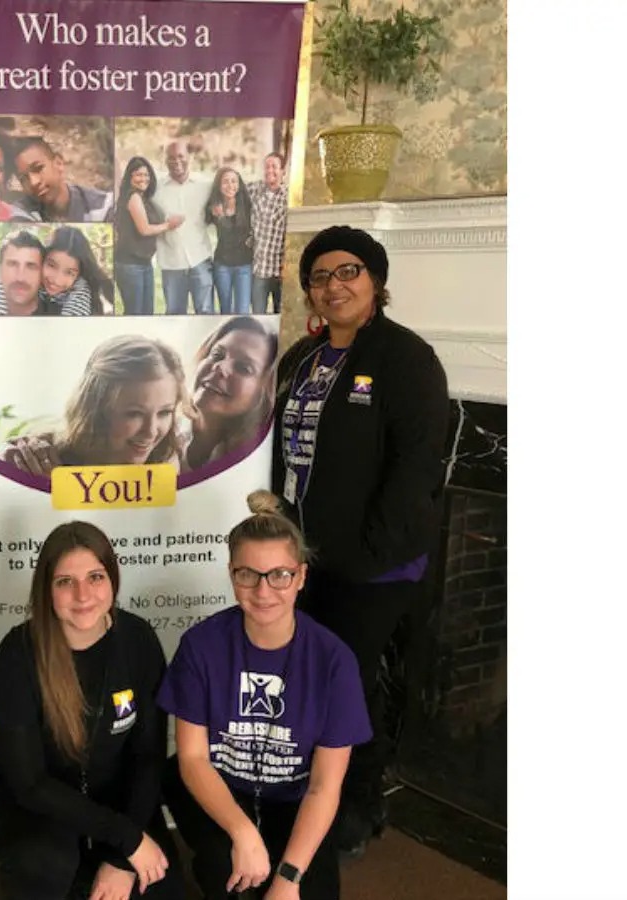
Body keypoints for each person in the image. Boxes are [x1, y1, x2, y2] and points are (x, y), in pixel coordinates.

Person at [272, 225, 450, 857]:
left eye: (349, 271)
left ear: (376, 281)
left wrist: (366, 552)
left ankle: (357, 807)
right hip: (303, 559)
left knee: (347, 682)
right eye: (320, 276)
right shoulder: (301, 358)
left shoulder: (405, 358)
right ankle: (310, 794)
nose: (334, 285)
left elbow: (416, 467)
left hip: (374, 565)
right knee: (309, 675)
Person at [157, 491, 371, 900]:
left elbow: (324, 786)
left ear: (301, 577)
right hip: (220, 786)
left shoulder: (333, 660)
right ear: (231, 574)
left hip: (296, 794)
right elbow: (193, 758)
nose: (263, 590)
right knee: (228, 874)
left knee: (306, 889)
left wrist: (288, 878)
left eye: (279, 575)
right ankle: (219, 858)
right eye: (247, 574)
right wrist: (242, 833)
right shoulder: (201, 646)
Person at [0, 522, 183, 900]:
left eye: (95, 577)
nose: (83, 595)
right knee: (46, 866)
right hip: (39, 805)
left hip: (118, 798)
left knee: (161, 890)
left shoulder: (138, 639)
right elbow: (29, 783)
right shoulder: (18, 652)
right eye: (64, 582)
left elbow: (148, 757)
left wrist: (121, 859)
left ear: (113, 579)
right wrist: (128, 840)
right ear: (46, 589)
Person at [0, 334, 189, 475]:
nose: (151, 432)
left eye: (164, 412)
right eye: (134, 414)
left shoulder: (165, 456)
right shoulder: (34, 461)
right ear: (97, 409)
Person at [183, 316, 277, 471]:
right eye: (217, 355)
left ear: (265, 391)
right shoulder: (157, 436)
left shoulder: (257, 466)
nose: (219, 367)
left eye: (243, 368)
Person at [0, 226, 110, 316]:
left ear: (78, 275)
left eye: (69, 272)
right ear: (42, 260)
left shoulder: (79, 293)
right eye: (52, 265)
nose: (56, 280)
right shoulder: (20, 283)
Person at [113, 156, 182, 316]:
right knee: (135, 313)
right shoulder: (133, 197)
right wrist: (169, 225)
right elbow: (144, 229)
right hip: (129, 264)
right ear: (129, 176)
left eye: (146, 175)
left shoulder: (145, 198)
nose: (143, 179)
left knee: (146, 313)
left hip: (143, 263)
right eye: (138, 175)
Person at [155, 141, 214, 315]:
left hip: (200, 259)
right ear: (165, 161)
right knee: (174, 314)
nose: (176, 161)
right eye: (171, 157)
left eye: (181, 156)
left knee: (205, 313)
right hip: (171, 262)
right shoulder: (156, 189)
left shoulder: (206, 185)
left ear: (190, 158)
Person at [10, 135, 114, 223]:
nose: (33, 182)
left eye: (38, 168)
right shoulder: (21, 212)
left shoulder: (103, 207)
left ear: (58, 163)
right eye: (23, 178)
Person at [0, 231, 61, 317]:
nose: (20, 278)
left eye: (31, 266)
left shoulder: (64, 317)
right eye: (12, 264)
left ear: (42, 273)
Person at [204, 166, 254, 315]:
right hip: (222, 266)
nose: (230, 185)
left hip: (244, 265)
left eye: (234, 181)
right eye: (225, 182)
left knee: (242, 310)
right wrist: (217, 216)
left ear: (239, 185)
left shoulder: (247, 205)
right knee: (225, 310)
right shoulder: (214, 208)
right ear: (219, 186)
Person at [247, 153, 289, 315]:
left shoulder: (288, 197)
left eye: (274, 167)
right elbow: (231, 190)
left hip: (279, 270)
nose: (269, 170)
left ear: (282, 171)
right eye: (267, 166)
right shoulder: (254, 190)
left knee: (280, 316)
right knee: (258, 316)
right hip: (259, 269)